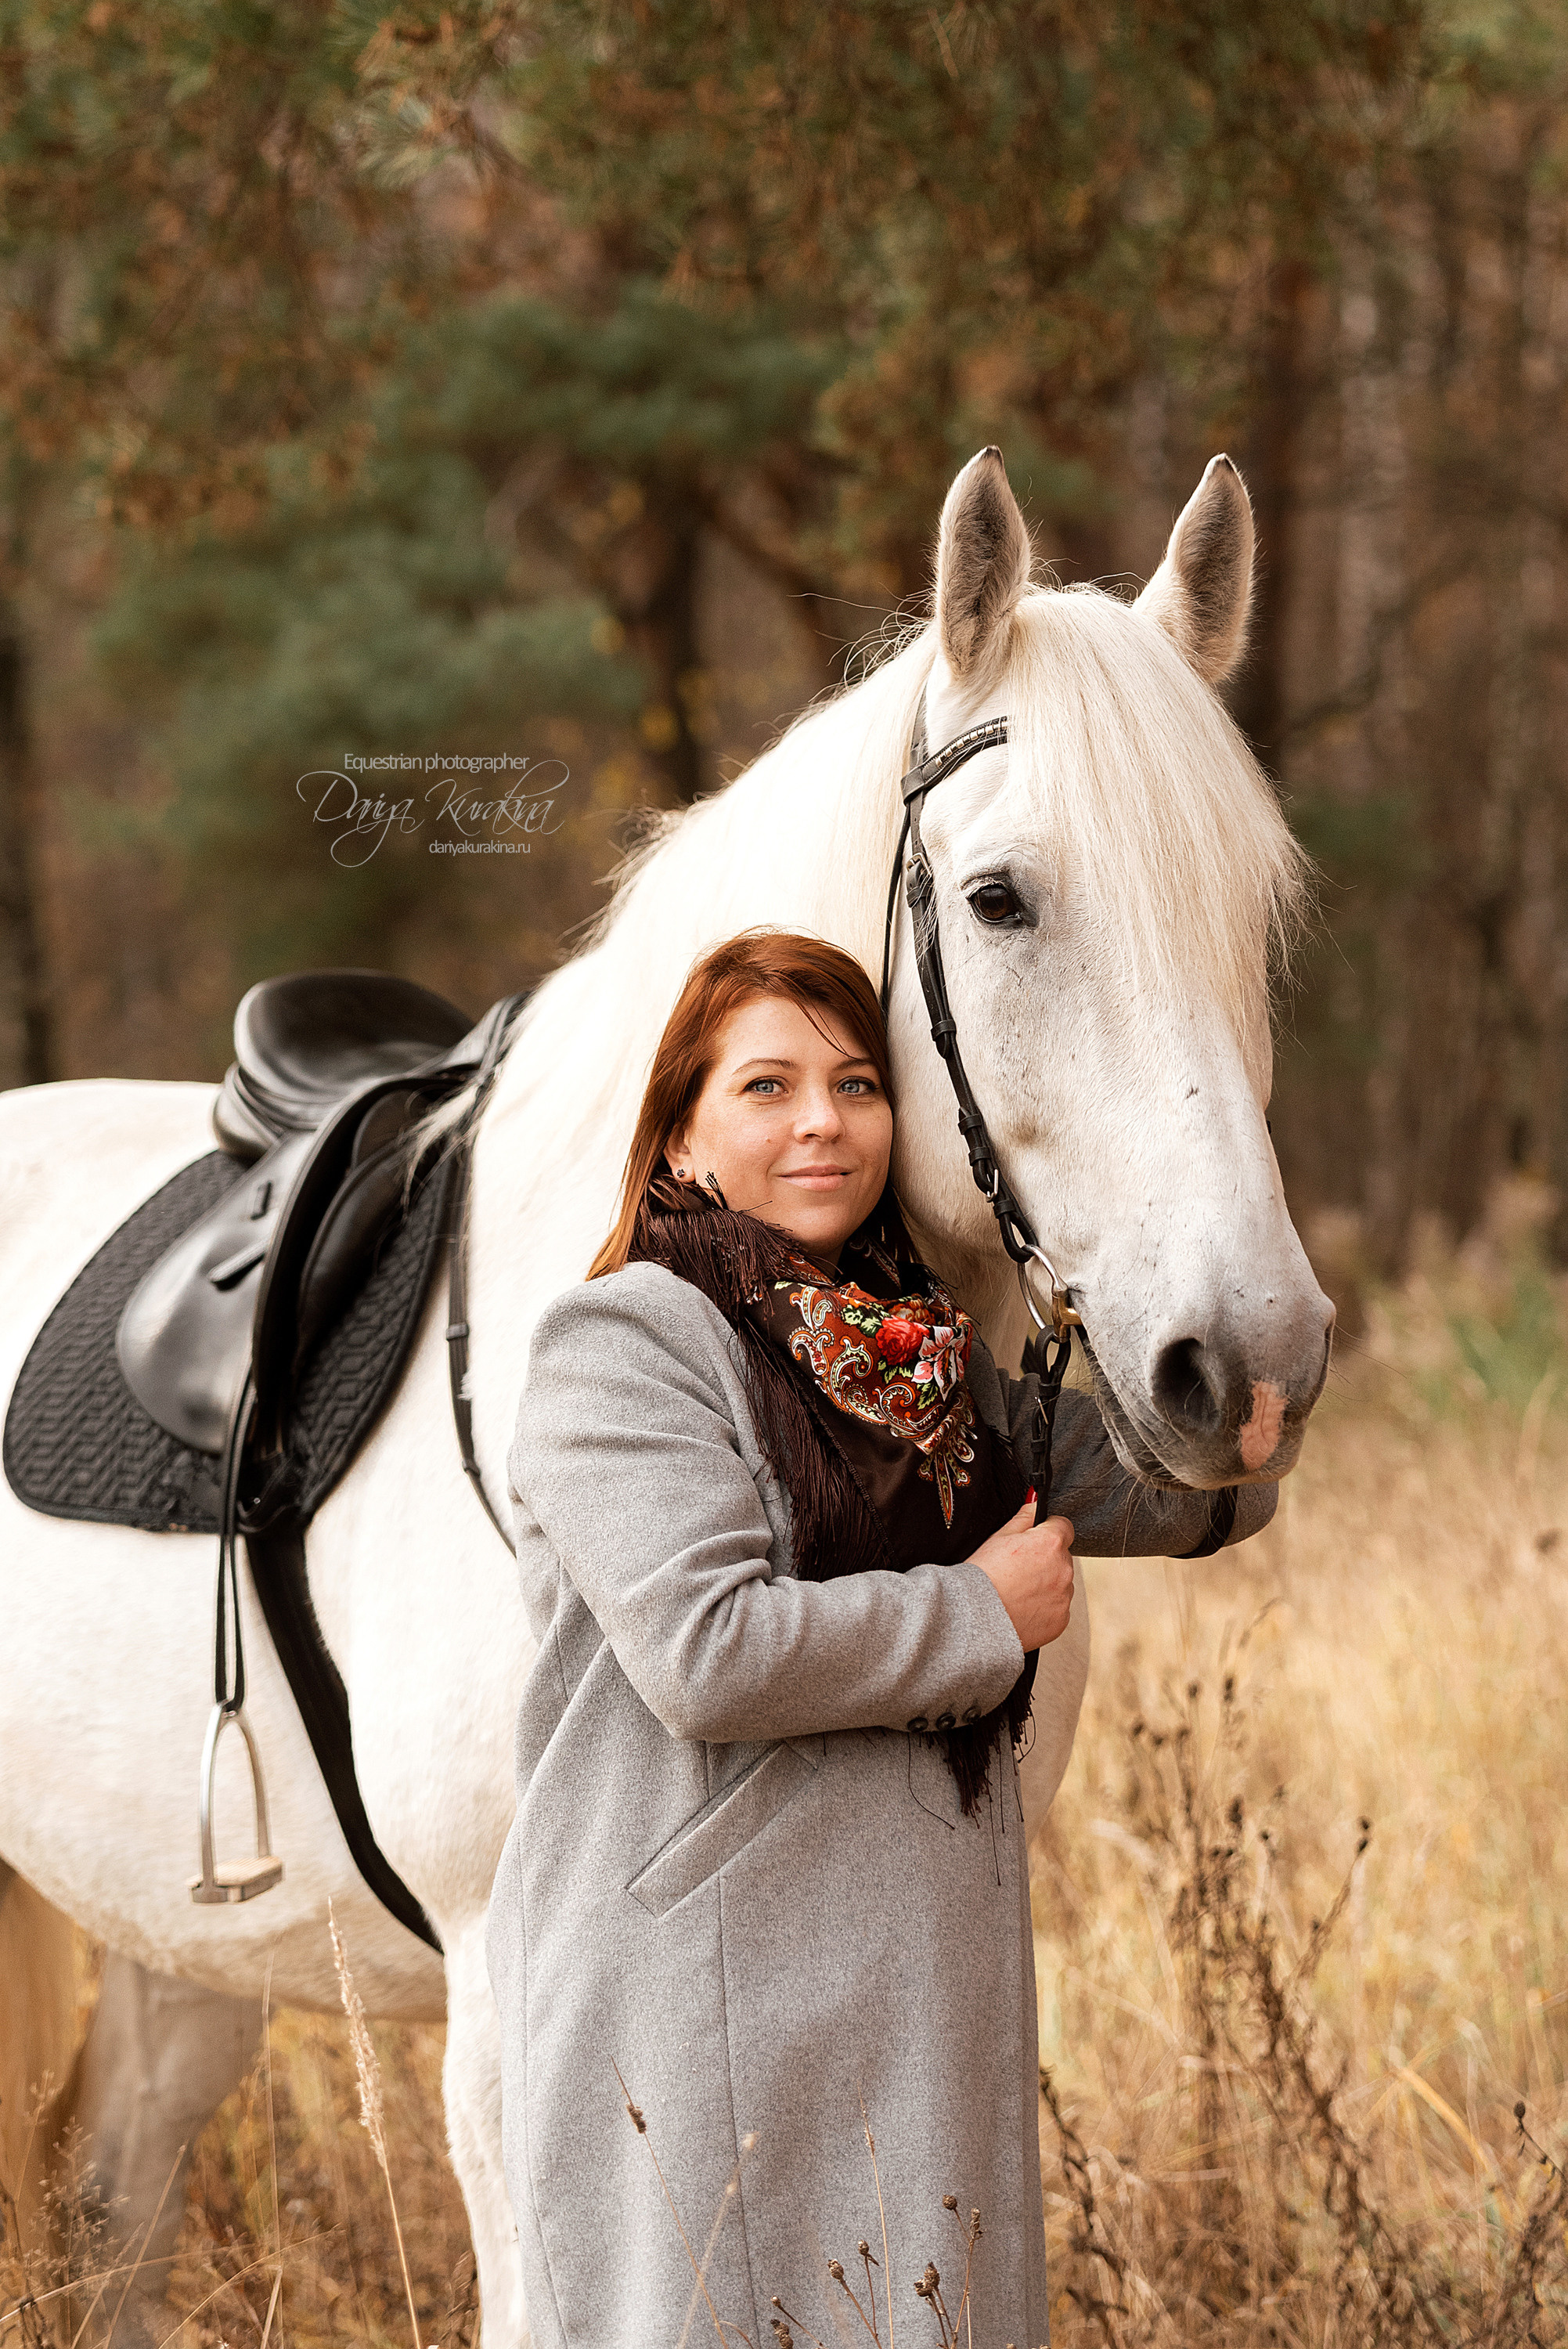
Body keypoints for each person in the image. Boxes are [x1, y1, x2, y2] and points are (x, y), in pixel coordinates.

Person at [486, 931, 1275, 2349]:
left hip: (912, 1987)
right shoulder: (620, 1343)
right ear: (681, 1128)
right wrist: (978, 1613)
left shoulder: (911, 1351)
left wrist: (1239, 1416)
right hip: (709, 1991)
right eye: (767, 1087)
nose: (821, 1123)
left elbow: (1133, 1479)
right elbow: (707, 1652)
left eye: (855, 1085)